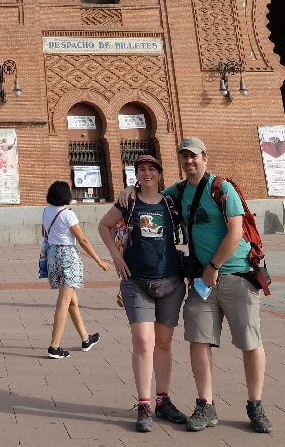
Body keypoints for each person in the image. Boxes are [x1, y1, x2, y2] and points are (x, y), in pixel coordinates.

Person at [163, 137, 272, 435]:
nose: (189, 162)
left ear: (205, 158)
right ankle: (205, 404)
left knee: (250, 342)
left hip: (236, 274)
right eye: (184, 157)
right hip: (202, 280)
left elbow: (236, 232)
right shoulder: (180, 190)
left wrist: (214, 267)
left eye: (194, 156)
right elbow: (152, 197)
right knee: (198, 339)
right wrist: (128, 194)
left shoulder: (222, 188)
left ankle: (255, 405)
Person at [99, 154, 188, 432]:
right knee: (142, 341)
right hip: (136, 280)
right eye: (141, 170)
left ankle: (163, 400)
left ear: (160, 174)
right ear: (135, 174)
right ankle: (144, 403)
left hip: (170, 280)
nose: (147, 173)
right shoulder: (128, 201)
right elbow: (104, 225)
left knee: (163, 343)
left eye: (152, 169)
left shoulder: (172, 202)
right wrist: (116, 257)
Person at [41, 181, 111, 359]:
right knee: (63, 302)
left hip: (53, 255)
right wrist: (99, 261)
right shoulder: (68, 215)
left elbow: (46, 235)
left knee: (72, 302)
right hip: (67, 258)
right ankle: (54, 347)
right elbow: (83, 240)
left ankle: (86, 339)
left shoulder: (46, 211)